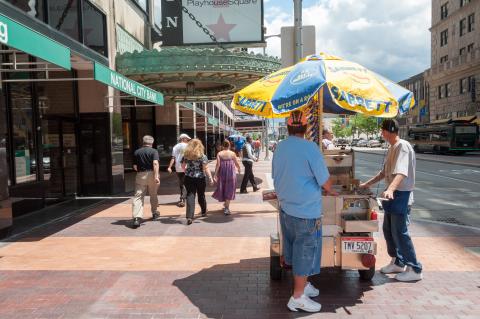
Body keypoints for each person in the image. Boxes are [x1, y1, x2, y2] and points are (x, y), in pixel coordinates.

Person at [272, 110, 337, 313]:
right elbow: (326, 182)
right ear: (306, 128)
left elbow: (276, 175)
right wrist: (331, 188)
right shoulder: (310, 148)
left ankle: (303, 285)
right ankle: (297, 297)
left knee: (293, 252)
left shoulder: (279, 148)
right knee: (305, 253)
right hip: (305, 212)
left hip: (286, 209)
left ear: (288, 127)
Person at [359, 119, 423, 282]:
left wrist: (391, 189)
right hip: (392, 195)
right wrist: (366, 184)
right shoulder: (391, 147)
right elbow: (383, 173)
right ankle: (397, 261)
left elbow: (401, 172)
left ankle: (414, 268)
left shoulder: (402, 146)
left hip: (401, 195)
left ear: (387, 131)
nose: (381, 133)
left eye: (382, 130)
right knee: (388, 230)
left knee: (400, 232)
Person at [181, 139, 214, 225]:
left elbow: (183, 166)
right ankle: (203, 211)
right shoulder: (202, 156)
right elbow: (206, 168)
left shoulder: (186, 155)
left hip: (189, 177)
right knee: (201, 195)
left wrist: (187, 172)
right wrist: (210, 178)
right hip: (200, 178)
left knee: (190, 195)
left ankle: (189, 216)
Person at [132, 135, 160, 228]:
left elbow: (135, 167)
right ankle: (155, 213)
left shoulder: (137, 152)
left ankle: (137, 218)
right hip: (152, 174)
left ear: (143, 142)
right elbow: (155, 163)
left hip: (141, 175)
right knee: (153, 194)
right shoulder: (154, 151)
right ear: (152, 143)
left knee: (138, 196)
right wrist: (156, 176)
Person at [212, 140, 241, 215]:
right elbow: (236, 163)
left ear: (222, 145)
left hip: (222, 173)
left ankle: (226, 205)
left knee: (223, 187)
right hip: (231, 173)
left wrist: (215, 174)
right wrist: (239, 168)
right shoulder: (232, 153)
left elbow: (218, 165)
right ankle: (227, 208)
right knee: (230, 188)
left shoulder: (219, 153)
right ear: (229, 146)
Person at [167, 133, 191, 207]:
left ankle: (183, 197)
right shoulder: (188, 146)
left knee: (181, 183)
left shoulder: (175, 147)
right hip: (186, 167)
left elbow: (173, 158)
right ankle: (183, 198)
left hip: (178, 167)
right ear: (183, 139)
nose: (188, 140)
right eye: (187, 139)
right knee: (185, 183)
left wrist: (170, 167)